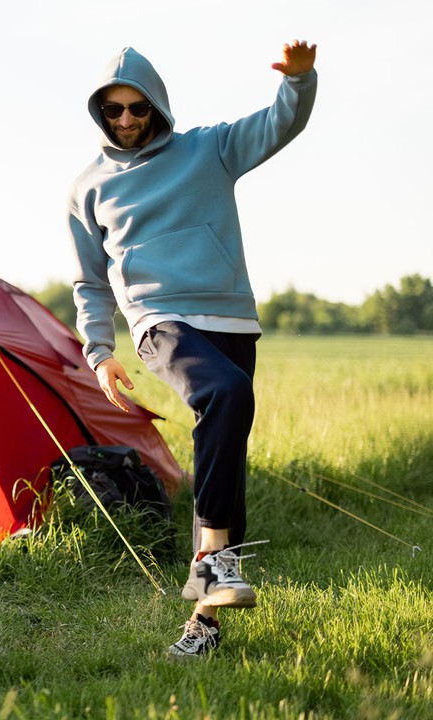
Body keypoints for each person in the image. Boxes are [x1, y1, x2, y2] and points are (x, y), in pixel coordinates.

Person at [66, 41, 317, 658]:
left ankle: (202, 626)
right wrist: (100, 352)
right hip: (159, 320)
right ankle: (210, 557)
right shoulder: (87, 189)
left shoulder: (208, 148)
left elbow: (279, 123)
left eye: (136, 108)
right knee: (225, 392)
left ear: (156, 107)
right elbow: (90, 282)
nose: (125, 120)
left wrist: (300, 81)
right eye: (113, 110)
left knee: (226, 445)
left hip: (230, 315)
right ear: (99, 113)